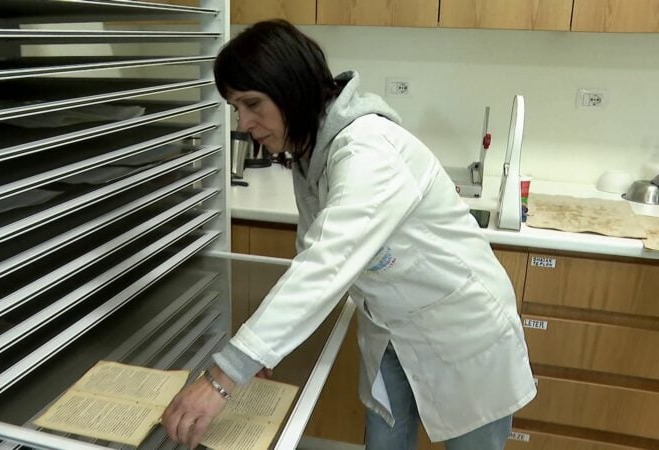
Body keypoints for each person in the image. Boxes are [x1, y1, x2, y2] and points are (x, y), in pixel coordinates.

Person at [162, 20, 536, 450]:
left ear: (291, 88)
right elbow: (313, 253)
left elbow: (326, 266)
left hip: (461, 334)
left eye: (252, 103)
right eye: (236, 108)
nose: (244, 122)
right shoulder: (310, 153)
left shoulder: (367, 151)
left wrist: (225, 374)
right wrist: (264, 348)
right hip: (389, 333)